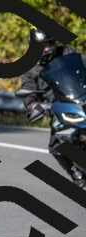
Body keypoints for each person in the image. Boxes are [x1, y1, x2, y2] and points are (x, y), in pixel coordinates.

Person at [20, 27, 86, 187]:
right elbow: (28, 91)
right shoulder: (29, 68)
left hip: (82, 99)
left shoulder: (68, 52)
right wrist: (32, 105)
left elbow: (83, 62)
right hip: (60, 111)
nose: (46, 49)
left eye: (49, 44)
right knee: (57, 145)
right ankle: (77, 175)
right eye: (42, 46)